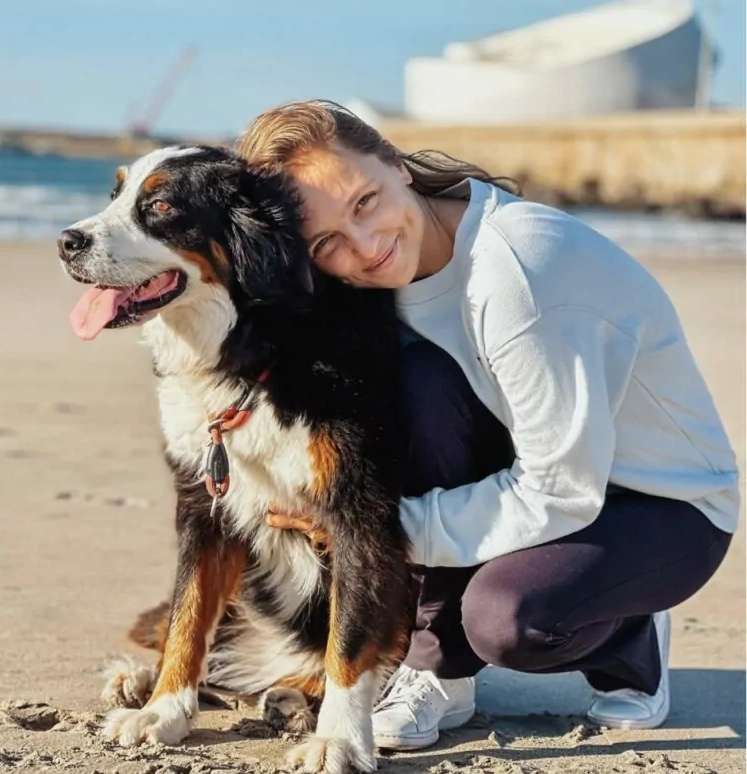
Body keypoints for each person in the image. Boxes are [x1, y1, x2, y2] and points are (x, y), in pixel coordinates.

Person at [235, 100, 739, 751]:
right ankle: (440, 667)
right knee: (413, 384)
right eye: (326, 242)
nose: (363, 246)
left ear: (395, 164)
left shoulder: (519, 273)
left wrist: (377, 531)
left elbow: (561, 491)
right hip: (530, 465)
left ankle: (629, 634)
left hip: (660, 503)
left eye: (365, 202)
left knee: (509, 620)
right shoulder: (371, 279)